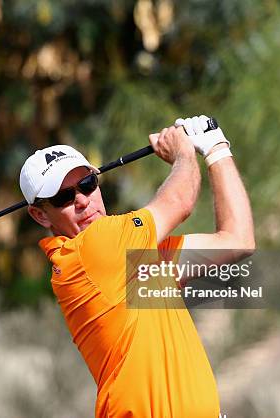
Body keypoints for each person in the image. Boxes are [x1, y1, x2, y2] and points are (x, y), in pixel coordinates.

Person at [19, 115, 254, 417]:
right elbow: (180, 201)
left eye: (87, 184)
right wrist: (182, 150)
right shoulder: (92, 249)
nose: (82, 201)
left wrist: (216, 149)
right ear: (40, 215)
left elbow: (238, 240)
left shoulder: (131, 261)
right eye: (64, 196)